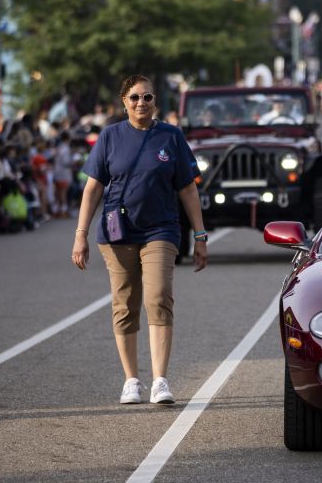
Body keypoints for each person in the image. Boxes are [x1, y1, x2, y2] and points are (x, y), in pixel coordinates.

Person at [72, 75, 208, 406]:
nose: (141, 103)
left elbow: (188, 188)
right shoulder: (110, 137)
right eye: (134, 97)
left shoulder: (171, 136)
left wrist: (201, 235)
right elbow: (93, 188)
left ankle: (160, 380)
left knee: (158, 295)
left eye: (147, 97)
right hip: (117, 231)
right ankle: (131, 380)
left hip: (160, 229)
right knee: (124, 303)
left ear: (155, 101)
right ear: (124, 102)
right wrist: (80, 236)